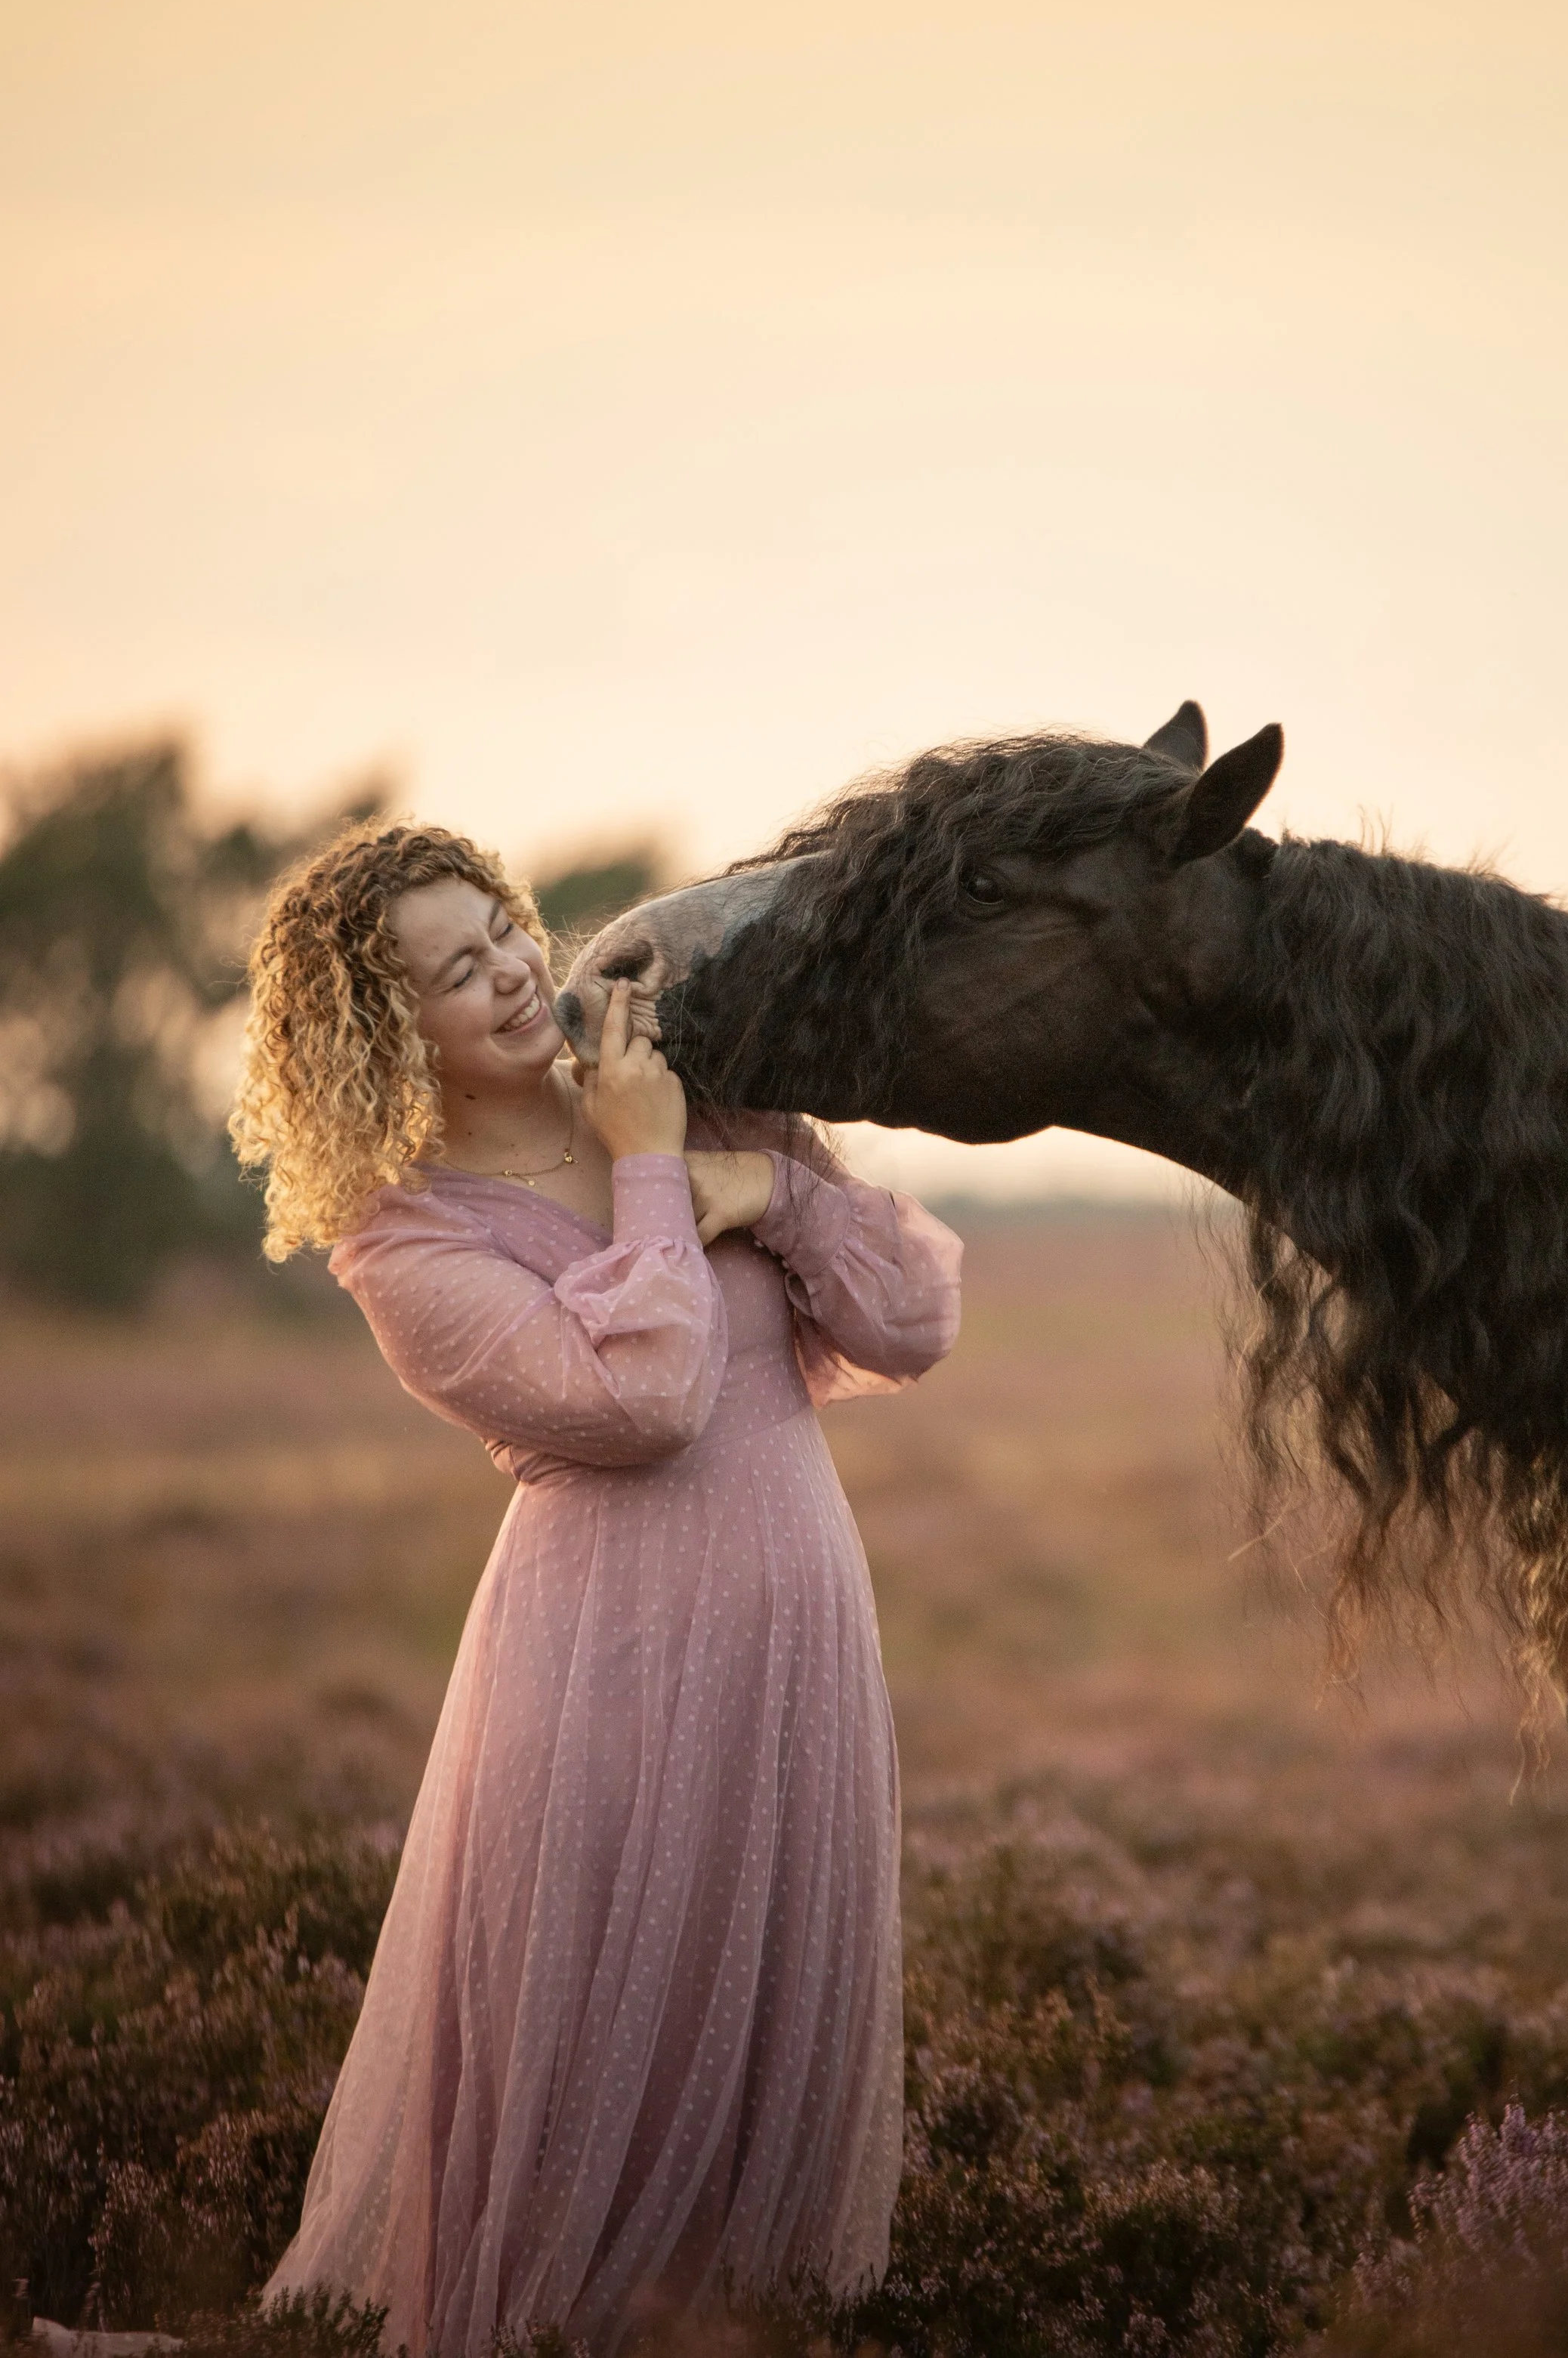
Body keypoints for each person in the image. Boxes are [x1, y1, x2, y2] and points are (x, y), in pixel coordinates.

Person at [230, 819, 961, 2353]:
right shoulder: (404, 1234)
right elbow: (644, 1403)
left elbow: (906, 1322)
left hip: (796, 1624)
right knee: (593, 2033)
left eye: (501, 931)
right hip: (598, 1662)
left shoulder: (694, 1080)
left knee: (768, 2021)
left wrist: (753, 1180)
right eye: (452, 972)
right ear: (381, 1034)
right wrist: (647, 1171)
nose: (510, 974)